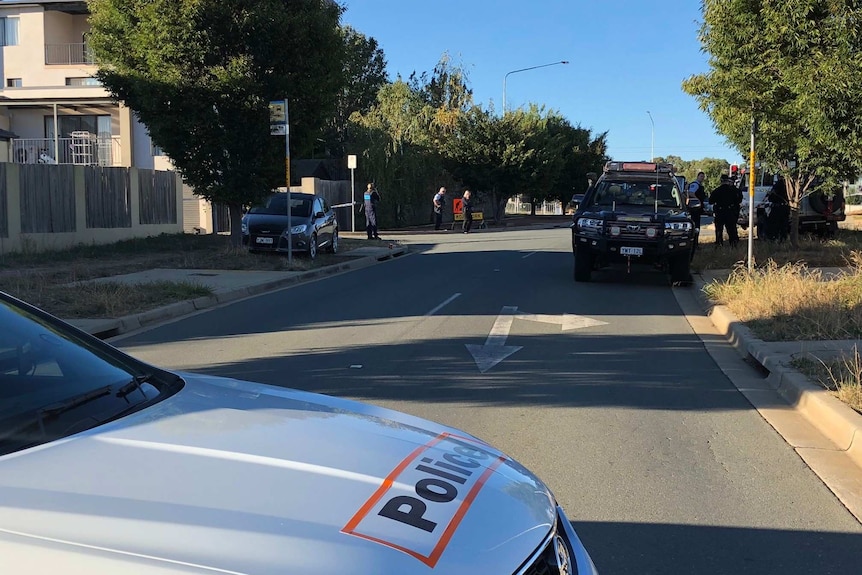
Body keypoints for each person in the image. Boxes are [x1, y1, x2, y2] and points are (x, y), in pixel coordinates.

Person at [709, 174, 741, 247]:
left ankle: (719, 243)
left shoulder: (717, 191)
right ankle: (733, 244)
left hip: (720, 212)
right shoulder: (733, 190)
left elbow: (711, 201)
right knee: (731, 229)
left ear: (721, 181)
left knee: (719, 229)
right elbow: (738, 201)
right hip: (730, 211)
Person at [687, 171, 707, 260]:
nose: (702, 178)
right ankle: (694, 244)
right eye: (701, 176)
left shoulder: (699, 185)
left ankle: (696, 244)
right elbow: (691, 193)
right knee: (695, 227)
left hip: (697, 209)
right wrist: (698, 200)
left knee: (697, 227)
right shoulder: (695, 185)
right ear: (698, 176)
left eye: (703, 177)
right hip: (694, 209)